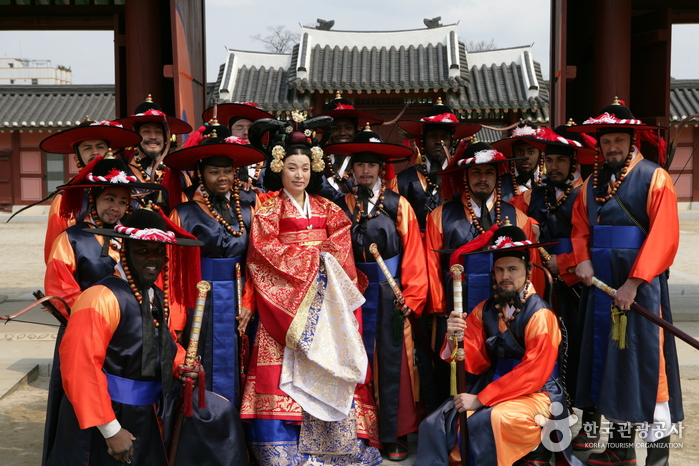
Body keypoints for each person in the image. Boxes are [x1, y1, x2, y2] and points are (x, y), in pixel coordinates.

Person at [242, 112, 382, 465]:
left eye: (305, 167)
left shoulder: (329, 209)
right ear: (280, 168)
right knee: (281, 373)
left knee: (326, 369)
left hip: (326, 302)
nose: (299, 174)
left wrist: (321, 269)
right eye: (292, 167)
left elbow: (341, 251)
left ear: (313, 168)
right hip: (285, 308)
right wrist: (310, 262)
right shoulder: (268, 210)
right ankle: (284, 450)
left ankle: (333, 450)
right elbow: (263, 253)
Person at [569, 99, 683, 465]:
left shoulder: (655, 177)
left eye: (619, 140)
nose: (612, 147)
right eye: (606, 142)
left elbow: (664, 236)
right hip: (602, 289)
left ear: (632, 140)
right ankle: (620, 449)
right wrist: (583, 260)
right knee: (611, 365)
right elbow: (579, 230)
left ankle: (658, 455)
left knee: (649, 370)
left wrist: (633, 284)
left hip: (640, 289)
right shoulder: (591, 184)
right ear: (598, 145)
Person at [46, 207, 209, 465]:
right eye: (142, 251)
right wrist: (111, 430)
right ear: (124, 251)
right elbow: (80, 367)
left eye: (158, 251)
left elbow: (161, 343)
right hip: (105, 420)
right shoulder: (100, 297)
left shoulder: (153, 296)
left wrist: (182, 365)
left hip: (144, 415)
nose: (151, 258)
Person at [416, 222, 580, 466]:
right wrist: (453, 336)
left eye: (512, 269)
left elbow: (533, 372)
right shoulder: (485, 309)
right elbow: (473, 359)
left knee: (495, 418)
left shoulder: (541, 315)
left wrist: (481, 399)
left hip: (537, 391)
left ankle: (532, 448)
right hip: (493, 382)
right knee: (438, 421)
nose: (505, 276)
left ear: (527, 271)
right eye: (500, 270)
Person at [42, 153, 164, 464]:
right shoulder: (72, 238)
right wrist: (98, 314)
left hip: (129, 335)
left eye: (123, 201)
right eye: (110, 198)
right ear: (94, 197)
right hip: (87, 330)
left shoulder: (132, 238)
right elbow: (60, 290)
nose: (116, 207)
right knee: (82, 402)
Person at [327, 128, 426, 461]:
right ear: (352, 170)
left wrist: (410, 296)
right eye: (359, 166)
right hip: (352, 293)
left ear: (381, 170)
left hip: (389, 291)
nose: (365, 172)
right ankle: (360, 432)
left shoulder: (399, 205)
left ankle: (394, 434)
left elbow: (413, 253)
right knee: (355, 362)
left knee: (391, 362)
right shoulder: (342, 205)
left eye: (372, 166)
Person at [425, 140, 540, 405]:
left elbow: (528, 268)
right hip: (458, 307)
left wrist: (524, 308)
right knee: (455, 363)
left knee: (501, 358)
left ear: (498, 176)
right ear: (465, 176)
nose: (482, 178)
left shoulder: (517, 216)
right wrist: (442, 309)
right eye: (476, 172)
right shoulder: (441, 216)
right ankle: (453, 424)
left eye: (488, 172)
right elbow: (431, 266)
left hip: (503, 306)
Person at [509, 122, 601, 450]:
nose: (555, 167)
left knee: (582, 349)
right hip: (540, 285)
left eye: (562, 161)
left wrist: (562, 265)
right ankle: (549, 423)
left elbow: (590, 241)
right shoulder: (533, 196)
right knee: (546, 352)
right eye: (551, 161)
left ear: (574, 164)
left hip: (576, 284)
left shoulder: (587, 194)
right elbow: (512, 222)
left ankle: (590, 422)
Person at [166, 133, 266, 405]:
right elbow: (173, 271)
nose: (222, 177)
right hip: (199, 302)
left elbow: (256, 261)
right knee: (200, 359)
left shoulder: (248, 210)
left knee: (240, 365)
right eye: (214, 172)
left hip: (237, 301)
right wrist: (177, 317)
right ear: (201, 175)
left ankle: (237, 433)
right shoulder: (183, 213)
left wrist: (249, 302)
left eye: (227, 171)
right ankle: (204, 426)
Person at [40, 118, 141, 263]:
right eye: (87, 148)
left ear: (109, 151)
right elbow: (55, 255)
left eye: (100, 147)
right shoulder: (65, 199)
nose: (95, 152)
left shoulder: (131, 191)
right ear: (77, 156)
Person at [392, 98, 481, 231]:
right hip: (416, 246)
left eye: (444, 137)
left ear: (452, 142)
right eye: (433, 137)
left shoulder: (463, 178)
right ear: (423, 140)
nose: (439, 142)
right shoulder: (403, 181)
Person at [116, 95, 193, 211]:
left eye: (158, 132)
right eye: (146, 131)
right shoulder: (121, 175)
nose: (153, 137)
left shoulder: (181, 178)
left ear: (166, 137)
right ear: (136, 135)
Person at [315, 92, 384, 199]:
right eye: (336, 129)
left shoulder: (366, 159)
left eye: (348, 128)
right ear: (329, 132)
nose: (342, 133)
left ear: (356, 129)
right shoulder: (318, 158)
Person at [202, 101, 275, 189]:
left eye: (250, 128)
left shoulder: (268, 159)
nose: (246, 133)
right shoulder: (221, 158)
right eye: (239, 128)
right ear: (230, 131)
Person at [492, 122, 544, 201]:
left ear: (540, 153)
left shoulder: (548, 183)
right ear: (513, 153)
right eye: (519, 152)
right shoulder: (499, 184)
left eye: (531, 152)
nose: (525, 157)